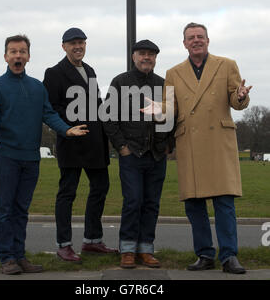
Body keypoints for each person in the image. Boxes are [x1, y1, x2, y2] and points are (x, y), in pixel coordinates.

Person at [143, 23, 252, 274]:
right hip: (190, 142)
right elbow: (172, 108)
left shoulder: (227, 65)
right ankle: (204, 254)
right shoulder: (174, 72)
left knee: (224, 202)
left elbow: (237, 101)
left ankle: (229, 256)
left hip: (218, 142)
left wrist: (241, 95)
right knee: (194, 203)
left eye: (200, 37)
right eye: (190, 38)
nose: (196, 41)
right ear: (184, 44)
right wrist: (160, 110)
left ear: (208, 40)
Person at [0, 34, 88, 275]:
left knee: (21, 210)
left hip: (30, 159)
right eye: (13, 52)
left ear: (28, 56)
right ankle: (6, 258)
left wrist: (66, 129)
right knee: (5, 209)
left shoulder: (37, 87)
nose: (18, 55)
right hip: (7, 157)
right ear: (6, 56)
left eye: (22, 51)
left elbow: (49, 114)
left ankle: (19, 256)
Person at [43, 27, 118, 263]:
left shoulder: (91, 70)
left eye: (82, 43)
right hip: (72, 143)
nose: (78, 47)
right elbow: (50, 108)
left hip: (95, 143)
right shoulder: (54, 73)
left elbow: (96, 106)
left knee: (100, 189)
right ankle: (64, 245)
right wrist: (68, 127)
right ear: (64, 46)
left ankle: (92, 241)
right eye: (73, 43)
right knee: (67, 193)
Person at [103, 39, 173, 269]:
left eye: (151, 55)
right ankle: (128, 249)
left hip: (156, 155)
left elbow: (173, 118)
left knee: (152, 203)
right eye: (142, 53)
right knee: (133, 201)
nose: (146, 57)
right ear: (134, 56)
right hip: (131, 153)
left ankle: (146, 249)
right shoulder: (121, 82)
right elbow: (108, 117)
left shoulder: (164, 85)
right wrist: (121, 146)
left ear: (155, 58)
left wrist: (167, 145)